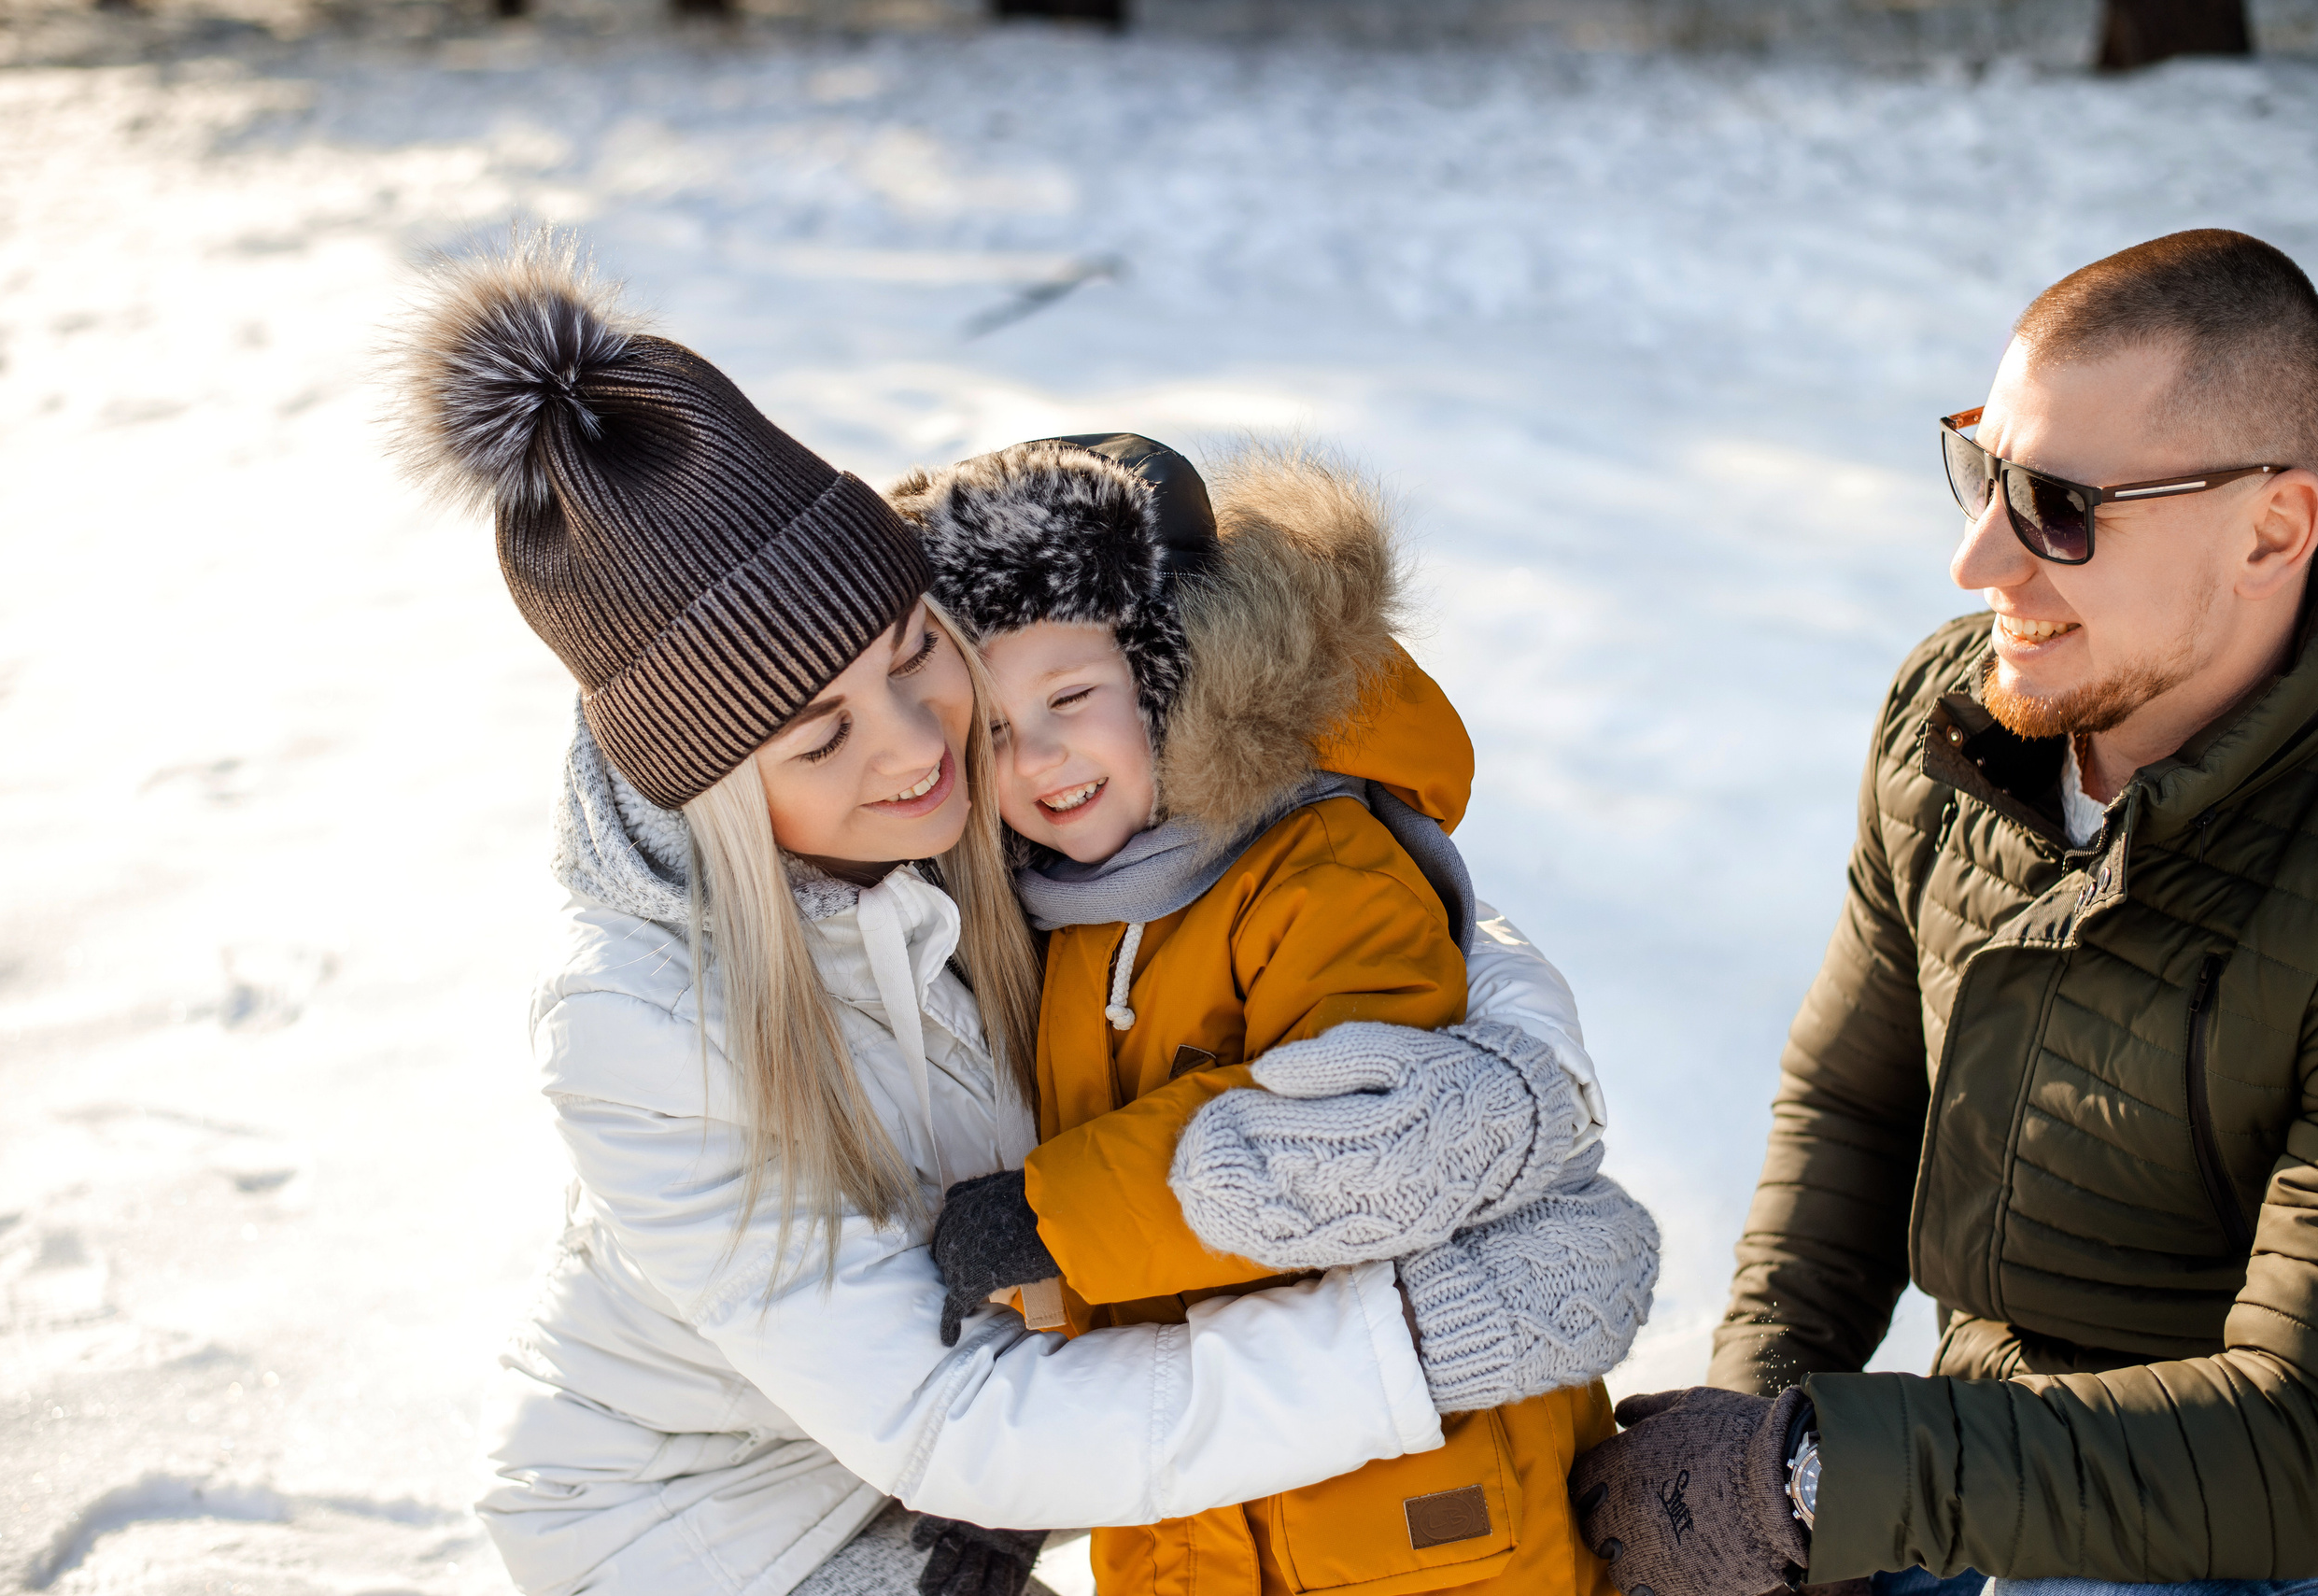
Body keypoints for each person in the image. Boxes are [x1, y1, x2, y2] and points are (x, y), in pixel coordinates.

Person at [392, 236, 1632, 1596]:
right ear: (722, 797)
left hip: (963, 1472)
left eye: (917, 651)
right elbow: (950, 1420)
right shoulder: (638, 1029)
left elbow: (1365, 879)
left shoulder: (987, 790)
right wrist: (1425, 1340)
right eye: (820, 736)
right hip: (705, 1530)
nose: (919, 741)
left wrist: (1519, 1092)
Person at [1568, 228, 2318, 1596]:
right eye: (1982, 469)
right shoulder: (1959, 721)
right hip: (1985, 1463)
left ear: (2272, 528)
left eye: (2059, 504)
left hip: (2264, 1531)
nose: (1977, 558)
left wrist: (1818, 1478)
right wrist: (1749, 1471)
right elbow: (1854, 1106)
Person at [889, 433, 1656, 1596]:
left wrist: (1055, 1213)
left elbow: (1350, 1130)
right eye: (993, 730)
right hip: (1201, 1524)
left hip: (1423, 1527)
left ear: (1174, 673)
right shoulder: (1074, 912)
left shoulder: (1320, 864)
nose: (1038, 757)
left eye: (1072, 697)